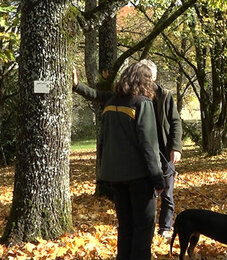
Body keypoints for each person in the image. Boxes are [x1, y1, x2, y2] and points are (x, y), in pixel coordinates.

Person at [72, 60, 183, 239]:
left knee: (167, 194)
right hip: (141, 158)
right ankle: (134, 258)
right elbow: (97, 94)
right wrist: (77, 86)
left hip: (163, 150)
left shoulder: (164, 95)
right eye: (147, 77)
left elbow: (175, 122)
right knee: (135, 219)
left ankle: (165, 228)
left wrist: (176, 147)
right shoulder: (128, 99)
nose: (151, 80)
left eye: (152, 77)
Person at [97, 62, 165, 260]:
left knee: (125, 225)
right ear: (145, 80)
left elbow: (106, 142)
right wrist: (158, 177)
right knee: (143, 228)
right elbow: (149, 145)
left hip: (115, 176)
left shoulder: (110, 104)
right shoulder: (142, 103)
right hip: (139, 176)